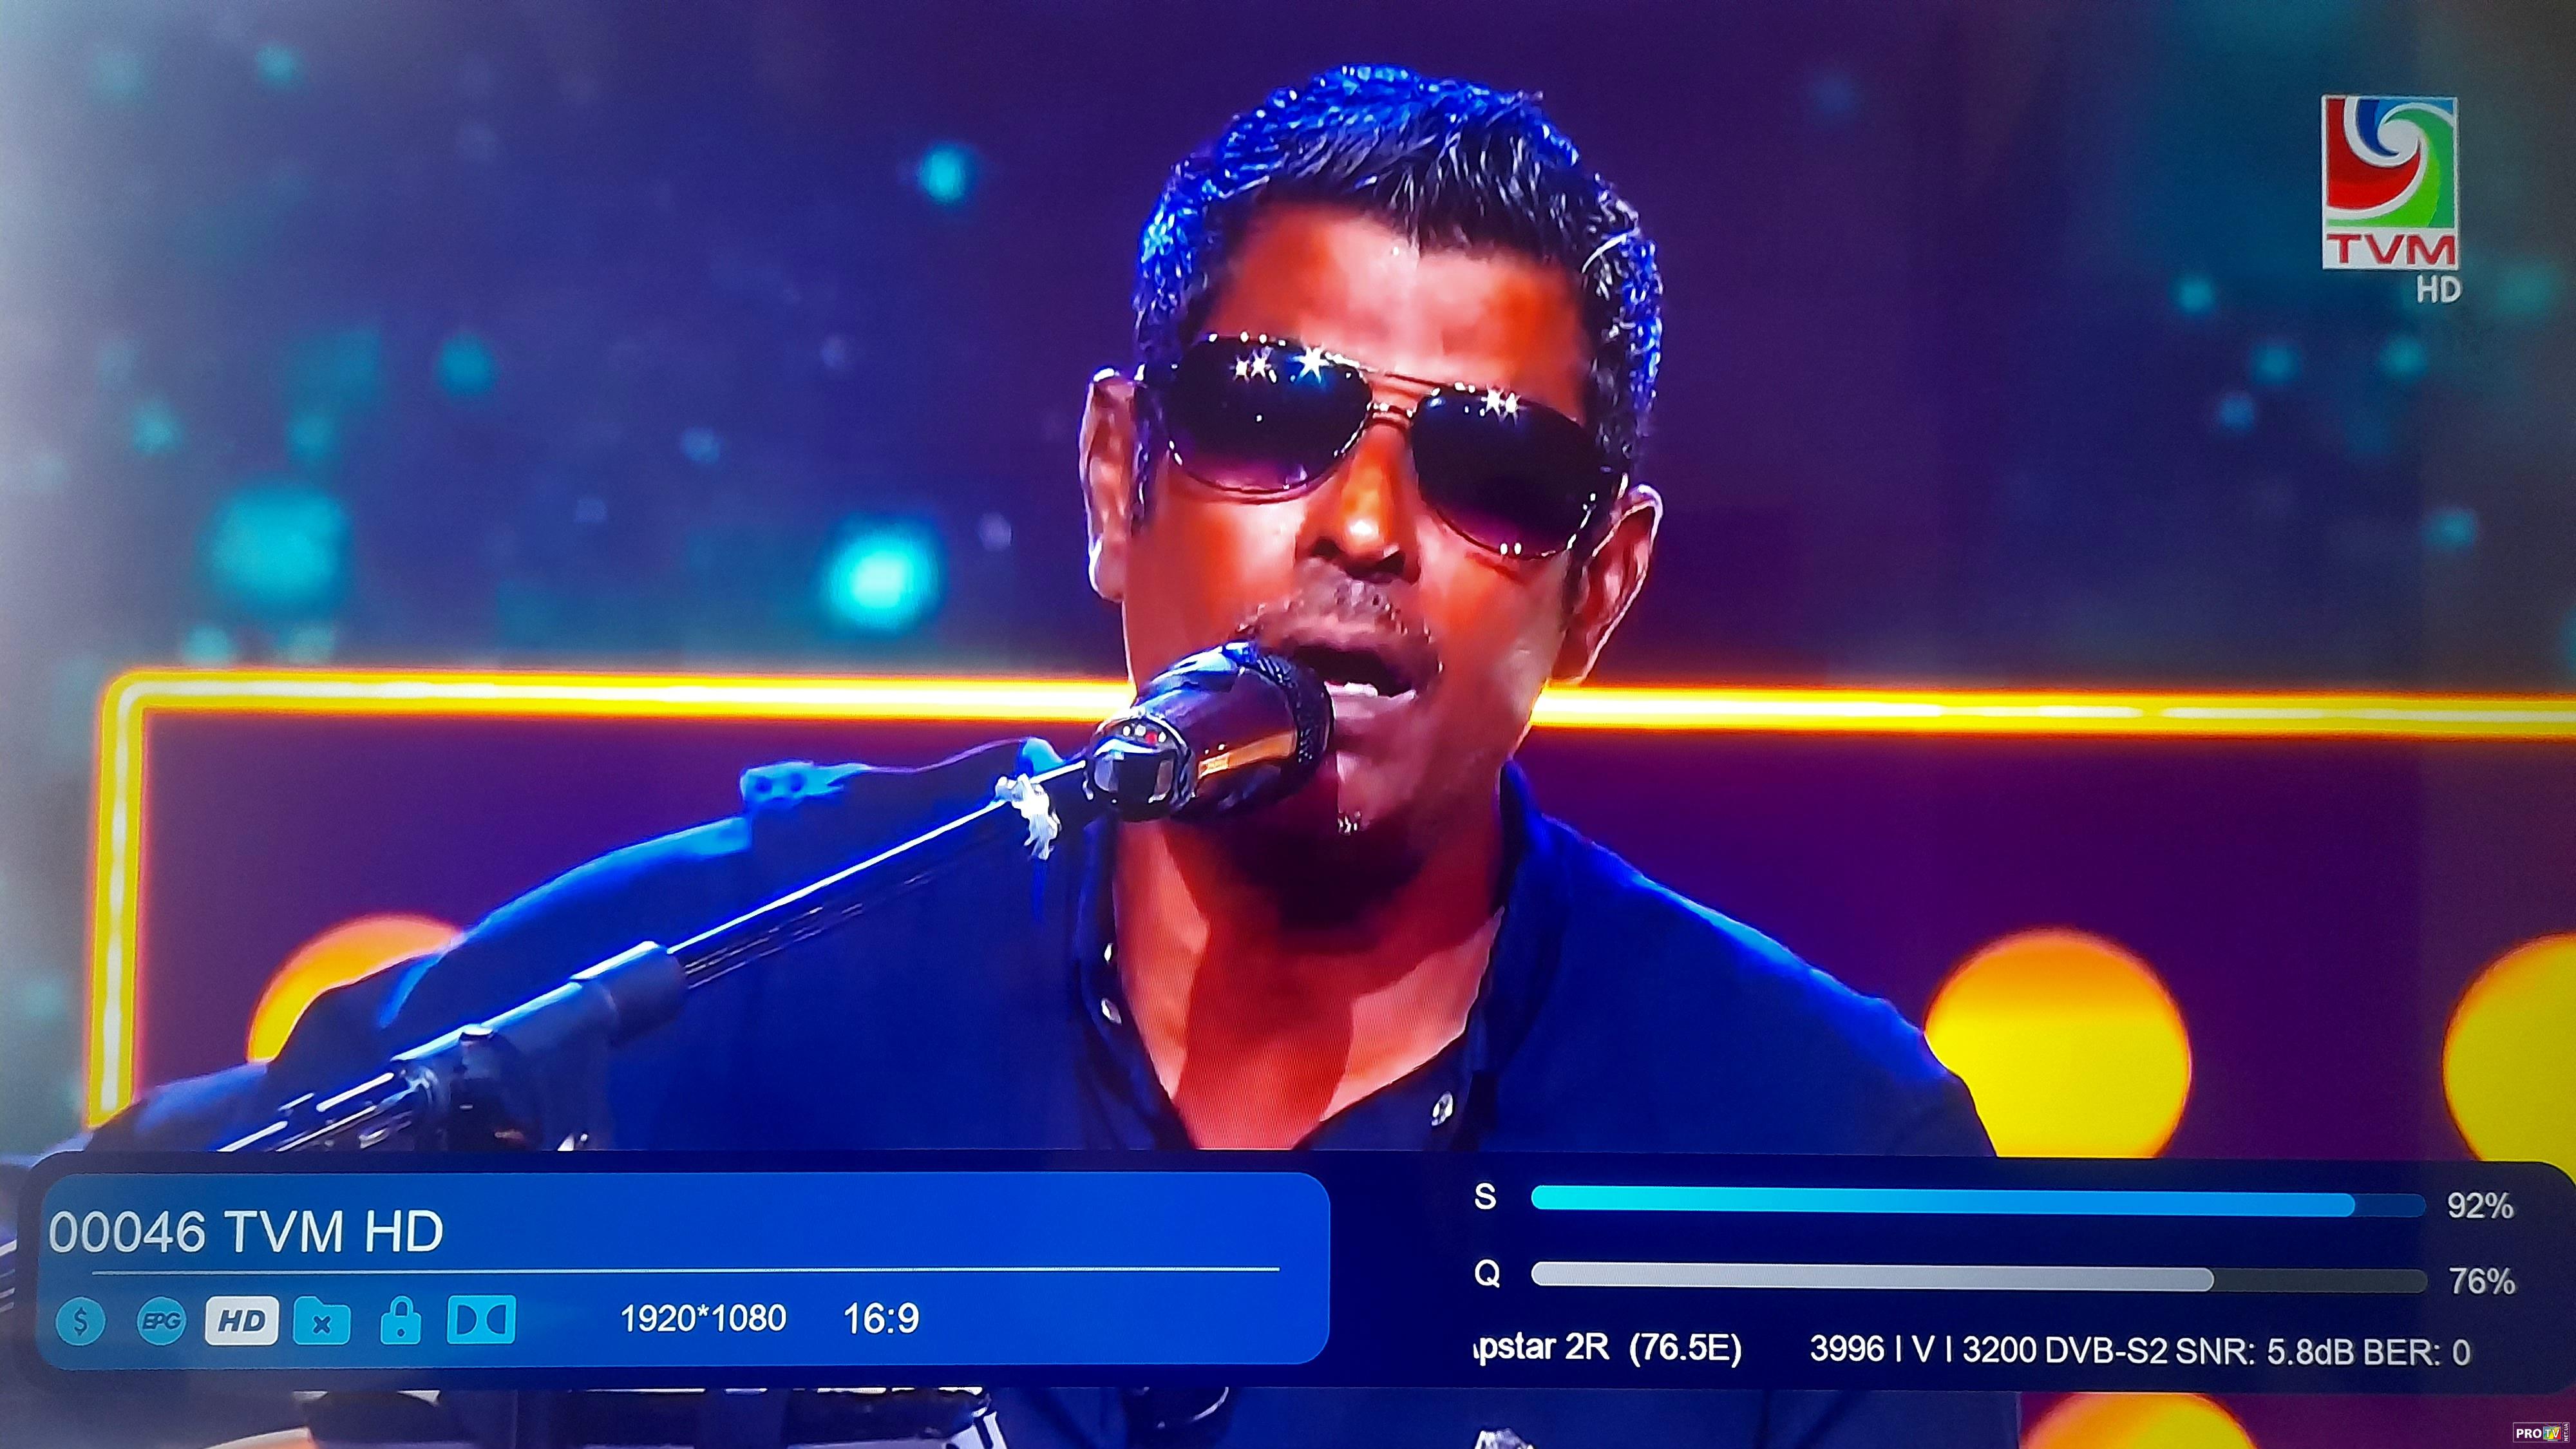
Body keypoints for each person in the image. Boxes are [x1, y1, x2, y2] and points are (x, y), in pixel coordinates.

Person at [86, 66, 2012, 1448]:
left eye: (1491, 468)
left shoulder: (1827, 1165)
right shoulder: (732, 983)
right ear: (1114, 478)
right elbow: (106, 1293)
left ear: (1604, 585)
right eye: (1269, 418)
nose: (1361, 525)